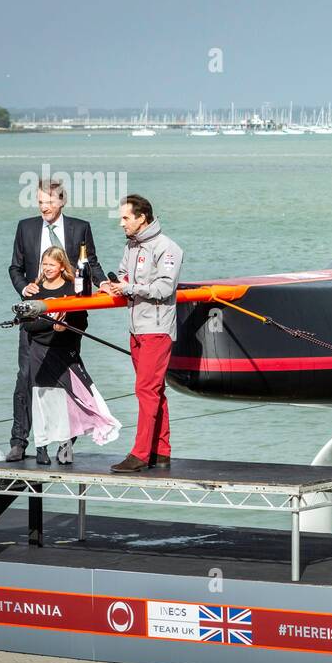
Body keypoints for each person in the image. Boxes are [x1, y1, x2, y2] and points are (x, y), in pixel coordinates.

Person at [7, 179, 105, 462]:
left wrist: (104, 284)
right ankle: (19, 440)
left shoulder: (79, 227)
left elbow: (92, 264)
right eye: (40, 202)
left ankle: (66, 441)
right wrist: (24, 287)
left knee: (68, 378)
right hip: (35, 316)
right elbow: (15, 267)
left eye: (49, 203)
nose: (44, 208)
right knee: (26, 377)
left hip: (70, 316)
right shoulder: (25, 227)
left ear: (62, 201)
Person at [100, 194, 183, 473]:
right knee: (154, 391)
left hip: (157, 330)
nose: (121, 223)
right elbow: (125, 276)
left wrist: (129, 288)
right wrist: (112, 285)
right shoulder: (132, 246)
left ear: (141, 218)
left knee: (145, 390)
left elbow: (164, 289)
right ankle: (161, 451)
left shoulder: (168, 248)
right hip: (136, 328)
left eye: (125, 218)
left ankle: (139, 453)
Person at [22, 248, 121, 464]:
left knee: (72, 399)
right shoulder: (33, 290)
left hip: (64, 350)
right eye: (44, 264)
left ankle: (65, 443)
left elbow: (81, 321)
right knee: (42, 399)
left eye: (52, 264)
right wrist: (52, 326)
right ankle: (41, 447)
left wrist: (64, 329)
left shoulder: (72, 288)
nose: (47, 268)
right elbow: (28, 325)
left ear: (61, 266)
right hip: (40, 350)